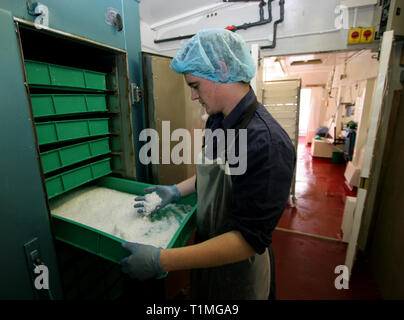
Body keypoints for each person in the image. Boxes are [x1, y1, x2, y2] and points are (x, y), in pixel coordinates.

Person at [120, 28, 296, 300]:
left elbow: (248, 241)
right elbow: (214, 173)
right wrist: (176, 190)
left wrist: (162, 261)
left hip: (239, 269)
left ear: (222, 70)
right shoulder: (217, 119)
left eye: (194, 85)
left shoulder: (267, 144)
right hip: (207, 250)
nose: (193, 96)